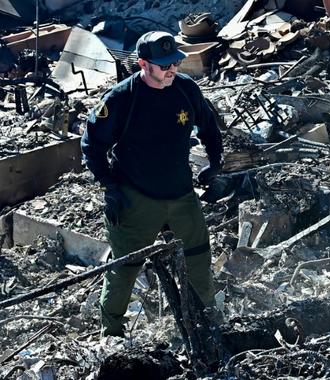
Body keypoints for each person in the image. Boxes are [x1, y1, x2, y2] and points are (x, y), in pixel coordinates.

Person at [81, 31, 227, 337]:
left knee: (198, 255)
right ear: (144, 65)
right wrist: (109, 186)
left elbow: (209, 127)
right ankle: (111, 331)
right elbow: (91, 144)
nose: (171, 69)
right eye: (163, 65)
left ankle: (208, 320)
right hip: (137, 197)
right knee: (125, 267)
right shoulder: (122, 99)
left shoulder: (185, 89)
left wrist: (215, 165)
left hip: (181, 194)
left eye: (174, 62)